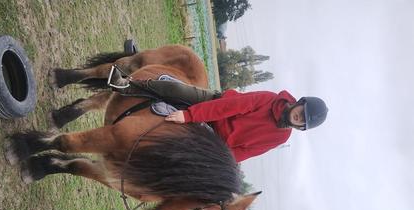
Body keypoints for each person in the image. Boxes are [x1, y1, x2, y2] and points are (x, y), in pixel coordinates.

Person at [108, 67, 328, 162]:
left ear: (302, 128)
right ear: (299, 103)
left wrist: (215, 157)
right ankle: (128, 85)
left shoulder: (281, 137)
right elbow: (229, 107)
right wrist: (190, 116)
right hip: (214, 106)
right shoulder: (270, 99)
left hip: (216, 141)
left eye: (304, 121)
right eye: (302, 112)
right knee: (177, 90)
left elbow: (244, 153)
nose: (300, 117)